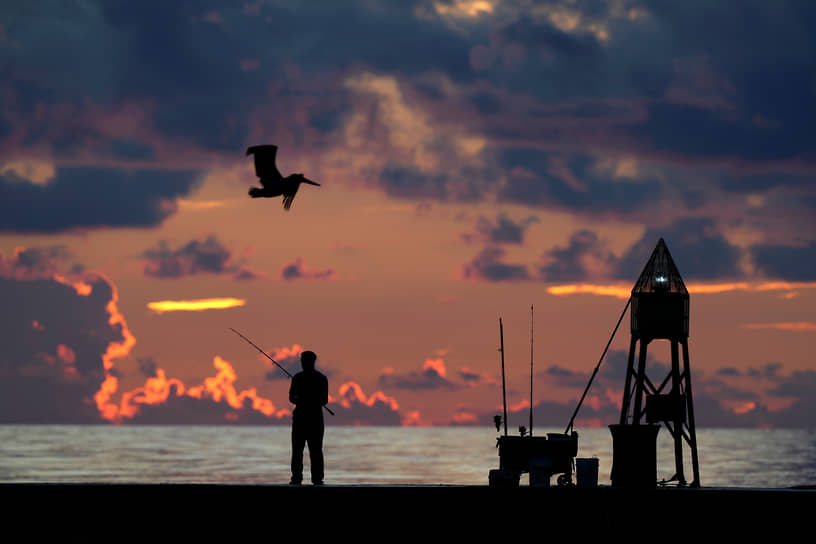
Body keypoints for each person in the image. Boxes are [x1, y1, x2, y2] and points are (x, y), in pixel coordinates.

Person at [288, 350, 329, 485]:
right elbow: (324, 400)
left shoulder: (297, 378)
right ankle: (317, 480)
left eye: (303, 360)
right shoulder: (322, 378)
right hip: (315, 420)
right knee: (315, 451)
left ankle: (296, 479)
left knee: (299, 450)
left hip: (301, 419)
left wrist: (301, 399)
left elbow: (291, 398)